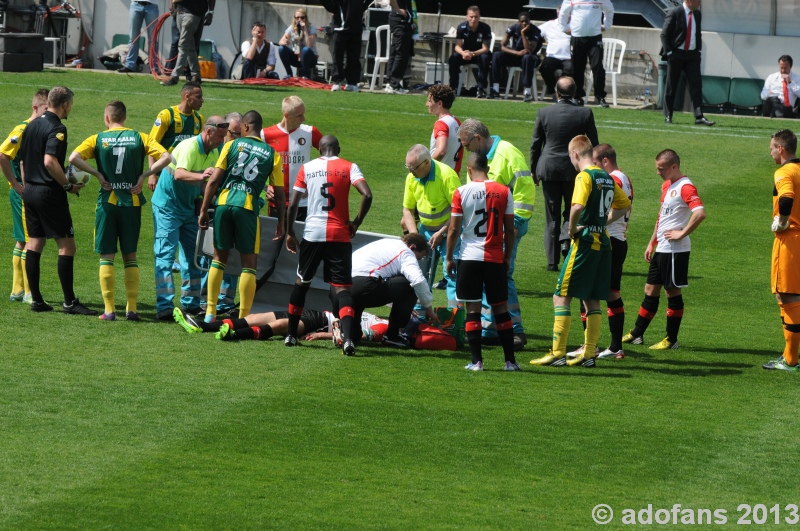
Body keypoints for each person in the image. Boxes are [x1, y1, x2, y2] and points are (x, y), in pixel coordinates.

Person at [530, 135, 630, 368]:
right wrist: (604, 222)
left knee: (561, 295)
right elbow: (624, 204)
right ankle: (588, 354)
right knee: (592, 298)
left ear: (575, 154)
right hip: (603, 243)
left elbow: (576, 207)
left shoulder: (584, 176)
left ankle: (557, 353)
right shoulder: (606, 176)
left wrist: (573, 229)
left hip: (584, 244)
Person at [69, 100, 171, 321]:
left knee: (107, 256)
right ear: (124, 117)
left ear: (107, 118)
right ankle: (132, 309)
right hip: (131, 204)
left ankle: (109, 310)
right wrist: (144, 175)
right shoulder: (140, 137)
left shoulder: (97, 138)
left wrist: (97, 174)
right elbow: (167, 157)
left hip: (107, 202)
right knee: (130, 256)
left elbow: (73, 158)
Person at [284, 136, 372, 356]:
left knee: (302, 282)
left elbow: (293, 203)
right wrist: (356, 223)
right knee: (343, 289)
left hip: (313, 234)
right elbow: (367, 194)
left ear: (319, 150)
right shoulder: (349, 166)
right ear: (338, 150)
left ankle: (291, 335)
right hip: (339, 235)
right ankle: (349, 340)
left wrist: (290, 233)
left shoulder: (307, 168)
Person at [199, 110, 285, 322]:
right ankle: (245, 317)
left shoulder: (231, 145)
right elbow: (280, 193)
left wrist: (203, 209)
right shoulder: (272, 154)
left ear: (245, 127)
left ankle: (210, 312)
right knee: (249, 264)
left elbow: (213, 181)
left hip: (223, 204)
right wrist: (282, 222)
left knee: (219, 259)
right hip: (247, 207)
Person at [17, 86, 96, 315]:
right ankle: (70, 302)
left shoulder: (31, 124)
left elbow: (23, 161)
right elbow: (50, 161)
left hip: (30, 190)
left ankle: (37, 300)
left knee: (35, 243)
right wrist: (68, 185)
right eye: (71, 104)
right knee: (67, 246)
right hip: (48, 193)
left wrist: (29, 186)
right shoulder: (57, 128)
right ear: (65, 105)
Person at [458, 119, 534, 349]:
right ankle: (491, 327)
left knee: (502, 275)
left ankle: (516, 331)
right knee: (490, 277)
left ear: (478, 138)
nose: (466, 150)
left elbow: (525, 188)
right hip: (487, 229)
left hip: (506, 227)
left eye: (466, 144)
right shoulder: (482, 158)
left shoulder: (507, 153)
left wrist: (516, 222)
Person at [622, 149, 706, 350]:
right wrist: (652, 241)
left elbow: (700, 213)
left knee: (672, 292)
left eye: (661, 169)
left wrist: (682, 233)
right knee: (650, 289)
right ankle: (637, 334)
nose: (657, 172)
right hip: (663, 248)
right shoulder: (667, 185)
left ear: (673, 166)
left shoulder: (686, 187)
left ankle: (671, 339)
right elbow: (662, 217)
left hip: (676, 250)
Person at [150, 115, 228, 320]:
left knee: (194, 256)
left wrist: (206, 200)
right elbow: (180, 175)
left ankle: (191, 304)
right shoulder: (189, 147)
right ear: (208, 131)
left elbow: (206, 184)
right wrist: (203, 175)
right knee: (165, 256)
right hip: (168, 207)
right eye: (220, 136)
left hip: (188, 209)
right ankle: (164, 306)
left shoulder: (216, 149)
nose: (222, 141)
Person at [446, 151, 517, 371]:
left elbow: (453, 229)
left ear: (468, 169)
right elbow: (510, 230)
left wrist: (449, 257)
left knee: (472, 310)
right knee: (501, 309)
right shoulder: (504, 191)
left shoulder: (461, 192)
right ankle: (510, 362)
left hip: (469, 259)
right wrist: (506, 258)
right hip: (495, 258)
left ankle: (476, 362)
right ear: (487, 167)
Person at [567, 143, 633, 360]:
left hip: (605, 239)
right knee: (610, 292)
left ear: (604, 161)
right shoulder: (624, 178)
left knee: (587, 291)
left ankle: (596, 346)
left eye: (596, 162)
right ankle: (613, 347)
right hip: (618, 239)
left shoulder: (609, 178)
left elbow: (609, 205)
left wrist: (599, 222)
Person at [530, 76, 599, 271]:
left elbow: (536, 145)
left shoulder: (544, 112)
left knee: (551, 216)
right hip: (574, 170)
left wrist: (534, 170)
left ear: (556, 91)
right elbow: (593, 144)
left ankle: (552, 263)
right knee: (572, 208)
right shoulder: (585, 113)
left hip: (548, 168)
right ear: (575, 92)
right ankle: (566, 241)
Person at [0, 88, 48, 304]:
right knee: (30, 240)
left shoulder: (39, 128)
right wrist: (15, 183)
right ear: (35, 108)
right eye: (45, 110)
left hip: (28, 192)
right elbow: (2, 155)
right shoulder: (23, 129)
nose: (48, 114)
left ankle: (17, 290)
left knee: (22, 240)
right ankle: (29, 292)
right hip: (23, 194)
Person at [349, 233, 436, 347]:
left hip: (341, 290)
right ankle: (393, 335)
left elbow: (382, 282)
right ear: (412, 247)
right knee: (409, 285)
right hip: (362, 286)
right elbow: (418, 281)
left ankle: (348, 334)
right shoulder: (406, 252)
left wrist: (402, 305)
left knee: (354, 336)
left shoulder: (386, 243)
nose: (416, 262)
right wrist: (429, 309)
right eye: (417, 258)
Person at [401, 144, 461, 308]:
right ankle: (419, 314)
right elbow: (407, 209)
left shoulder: (447, 176)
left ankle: (454, 316)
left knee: (451, 274)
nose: (410, 172)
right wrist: (416, 235)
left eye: (413, 168)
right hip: (425, 232)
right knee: (419, 274)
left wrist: (442, 232)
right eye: (408, 167)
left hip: (449, 231)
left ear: (427, 163)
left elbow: (459, 211)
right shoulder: (411, 178)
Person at [762, 130, 800, 372]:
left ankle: (791, 360)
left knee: (788, 296)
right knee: (785, 296)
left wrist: (783, 220)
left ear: (781, 149)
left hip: (790, 241)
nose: (771, 152)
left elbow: (786, 198)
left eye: (772, 148)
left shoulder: (784, 172)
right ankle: (789, 355)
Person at [175, 305, 388, 344]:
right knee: (258, 317)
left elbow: (355, 337)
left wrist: (324, 336)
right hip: (318, 314)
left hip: (322, 323)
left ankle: (235, 334)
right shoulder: (383, 319)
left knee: (281, 325)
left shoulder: (384, 328)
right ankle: (202, 326)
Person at [262, 95, 322, 222]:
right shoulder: (265, 135)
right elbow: (253, 166)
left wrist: (312, 184)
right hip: (276, 202)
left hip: (303, 202)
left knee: (299, 241)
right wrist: (265, 187)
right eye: (299, 115)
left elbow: (330, 159)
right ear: (287, 115)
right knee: (276, 240)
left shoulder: (310, 132)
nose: (303, 118)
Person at [660, 0, 715, 126]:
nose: (700, 3)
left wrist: (698, 51)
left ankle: (699, 116)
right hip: (676, 54)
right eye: (698, 1)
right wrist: (669, 53)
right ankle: (668, 115)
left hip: (692, 55)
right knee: (671, 86)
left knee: (696, 86)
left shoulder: (697, 14)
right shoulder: (675, 12)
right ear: (690, 1)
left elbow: (697, 34)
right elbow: (664, 34)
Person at [147, 81, 204, 190]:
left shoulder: (199, 119)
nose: (202, 100)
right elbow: (152, 145)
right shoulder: (167, 115)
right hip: (165, 172)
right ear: (187, 96)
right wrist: (152, 175)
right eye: (198, 97)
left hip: (186, 172)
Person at [558, 0, 613, 107]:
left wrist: (606, 26)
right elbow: (563, 13)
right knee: (577, 67)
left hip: (595, 37)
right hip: (577, 37)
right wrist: (563, 28)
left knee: (597, 66)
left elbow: (609, 10)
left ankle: (600, 97)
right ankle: (577, 97)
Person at [489, 12, 543, 102]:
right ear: (518, 22)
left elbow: (529, 50)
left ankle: (527, 92)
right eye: (522, 21)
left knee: (527, 57)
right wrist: (516, 53)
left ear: (529, 21)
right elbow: (502, 46)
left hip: (531, 59)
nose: (524, 23)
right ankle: (495, 89)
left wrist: (523, 34)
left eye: (526, 21)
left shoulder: (535, 31)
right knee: (496, 55)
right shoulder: (513, 28)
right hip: (516, 56)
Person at [160, 0, 215, 86]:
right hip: (180, 11)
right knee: (190, 46)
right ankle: (196, 75)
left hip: (192, 13)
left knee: (183, 45)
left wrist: (211, 12)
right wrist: (172, 6)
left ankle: (175, 76)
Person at [320, 0, 371, 92]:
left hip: (356, 29)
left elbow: (365, 4)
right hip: (340, 29)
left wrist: (362, 8)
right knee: (338, 56)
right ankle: (337, 82)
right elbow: (330, 6)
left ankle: (352, 83)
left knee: (354, 57)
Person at [447, 6, 493, 99]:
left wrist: (473, 53)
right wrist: (464, 53)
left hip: (479, 54)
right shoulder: (461, 27)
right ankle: (453, 87)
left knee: (485, 57)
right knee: (454, 57)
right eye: (471, 16)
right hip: (466, 55)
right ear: (467, 17)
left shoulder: (485, 28)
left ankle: (481, 88)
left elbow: (485, 48)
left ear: (479, 17)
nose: (473, 19)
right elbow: (457, 46)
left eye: (476, 17)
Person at [426, 84, 463, 174]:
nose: (427, 104)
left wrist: (425, 166)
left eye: (429, 101)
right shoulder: (457, 122)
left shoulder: (441, 124)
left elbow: (441, 151)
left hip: (440, 177)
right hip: (454, 176)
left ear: (439, 103)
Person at [538, 9, 573, 100]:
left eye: (568, 14)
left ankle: (564, 93)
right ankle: (553, 91)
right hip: (552, 56)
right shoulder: (550, 24)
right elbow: (536, 32)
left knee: (570, 70)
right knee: (544, 69)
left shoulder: (575, 25)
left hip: (568, 57)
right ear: (558, 14)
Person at [384, 0, 415, 94]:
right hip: (400, 22)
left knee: (395, 53)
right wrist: (398, 10)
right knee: (401, 54)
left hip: (402, 22)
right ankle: (394, 83)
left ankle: (391, 82)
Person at [118, 0, 159, 74]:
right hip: (135, 4)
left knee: (153, 39)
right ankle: (129, 65)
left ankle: (154, 68)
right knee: (133, 38)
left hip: (152, 5)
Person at [278, 8, 319, 79]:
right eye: (297, 18)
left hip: (309, 58)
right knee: (281, 48)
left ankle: (305, 76)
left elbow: (309, 45)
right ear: (295, 18)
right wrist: (285, 42)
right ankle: (289, 74)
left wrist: (305, 29)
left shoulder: (311, 28)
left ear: (306, 18)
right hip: (297, 56)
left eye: (302, 17)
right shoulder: (292, 28)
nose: (300, 19)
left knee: (305, 50)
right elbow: (280, 41)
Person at [761, 55, 800, 119]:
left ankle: (778, 116)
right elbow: (762, 95)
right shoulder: (771, 77)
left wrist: (790, 82)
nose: (783, 70)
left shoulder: (797, 79)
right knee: (773, 100)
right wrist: (769, 93)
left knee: (778, 107)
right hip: (770, 106)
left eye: (785, 68)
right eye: (781, 68)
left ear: (790, 67)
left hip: (787, 108)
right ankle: (779, 116)